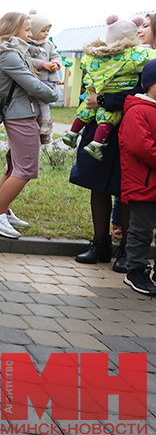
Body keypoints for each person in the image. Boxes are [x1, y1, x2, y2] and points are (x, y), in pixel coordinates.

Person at [0, 13, 59, 238]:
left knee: (14, 166)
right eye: (26, 29)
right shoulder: (9, 56)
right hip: (21, 115)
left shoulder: (0, 52)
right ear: (13, 30)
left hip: (17, 113)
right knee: (25, 169)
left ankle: (2, 211)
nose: (29, 34)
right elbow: (32, 84)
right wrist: (54, 95)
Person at [62, 15, 156, 160]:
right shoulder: (120, 53)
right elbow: (88, 84)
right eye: (139, 26)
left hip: (129, 123)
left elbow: (142, 92)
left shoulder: (144, 58)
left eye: (146, 26)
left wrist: (102, 99)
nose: (139, 31)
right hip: (103, 125)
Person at [118, 61, 156, 294]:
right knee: (141, 229)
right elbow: (140, 147)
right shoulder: (137, 110)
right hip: (143, 183)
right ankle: (136, 270)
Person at [25, 10, 60, 144]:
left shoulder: (48, 44)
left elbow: (55, 56)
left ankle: (46, 126)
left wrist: (55, 64)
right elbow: (26, 59)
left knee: (44, 102)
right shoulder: (27, 44)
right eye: (43, 31)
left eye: (47, 31)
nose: (46, 34)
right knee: (40, 103)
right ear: (33, 30)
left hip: (48, 80)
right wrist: (42, 64)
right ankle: (44, 129)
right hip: (36, 79)